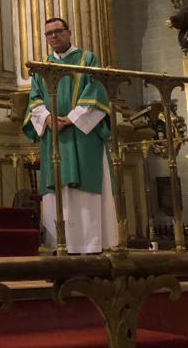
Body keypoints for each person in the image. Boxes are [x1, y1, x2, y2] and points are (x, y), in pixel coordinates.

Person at [23, 17, 117, 254]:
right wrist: (46, 118)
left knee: (84, 192)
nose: (53, 36)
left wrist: (72, 118)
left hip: (82, 135)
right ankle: (60, 243)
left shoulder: (87, 59)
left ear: (69, 32)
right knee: (57, 190)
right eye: (48, 34)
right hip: (53, 136)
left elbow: (95, 91)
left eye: (58, 31)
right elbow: (34, 98)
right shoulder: (42, 66)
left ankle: (91, 243)